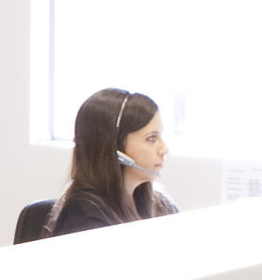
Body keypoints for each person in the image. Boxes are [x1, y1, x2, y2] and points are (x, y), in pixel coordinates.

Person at [45, 89, 178, 235]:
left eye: (160, 136)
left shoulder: (158, 204)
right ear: (114, 147)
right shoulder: (84, 220)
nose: (164, 149)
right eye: (151, 138)